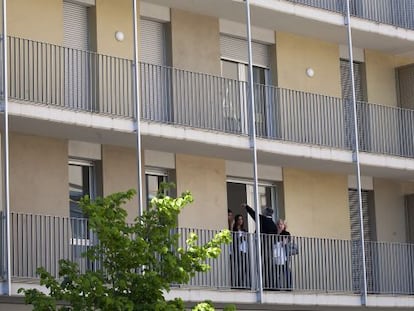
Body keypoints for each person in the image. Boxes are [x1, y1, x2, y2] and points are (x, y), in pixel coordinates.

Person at [242, 203, 277, 289]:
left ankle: (259, 285)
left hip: (261, 246)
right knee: (268, 266)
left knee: (259, 265)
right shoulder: (273, 225)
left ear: (265, 213)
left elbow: (253, 214)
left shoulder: (262, 219)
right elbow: (275, 238)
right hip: (270, 249)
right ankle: (269, 285)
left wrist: (246, 206)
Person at [231, 214, 250, 288]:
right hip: (238, 251)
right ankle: (238, 284)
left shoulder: (244, 230)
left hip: (245, 250)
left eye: (241, 219)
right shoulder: (235, 230)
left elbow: (246, 239)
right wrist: (242, 237)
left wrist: (245, 237)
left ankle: (243, 283)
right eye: (239, 219)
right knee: (238, 268)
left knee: (245, 268)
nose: (240, 221)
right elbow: (235, 241)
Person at [274, 219, 292, 290]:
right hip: (276, 254)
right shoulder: (274, 233)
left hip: (284, 255)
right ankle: (278, 287)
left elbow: (286, 241)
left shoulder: (286, 233)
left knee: (287, 270)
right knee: (277, 272)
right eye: (278, 224)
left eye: (281, 224)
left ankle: (289, 287)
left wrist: (282, 242)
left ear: (284, 225)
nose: (279, 225)